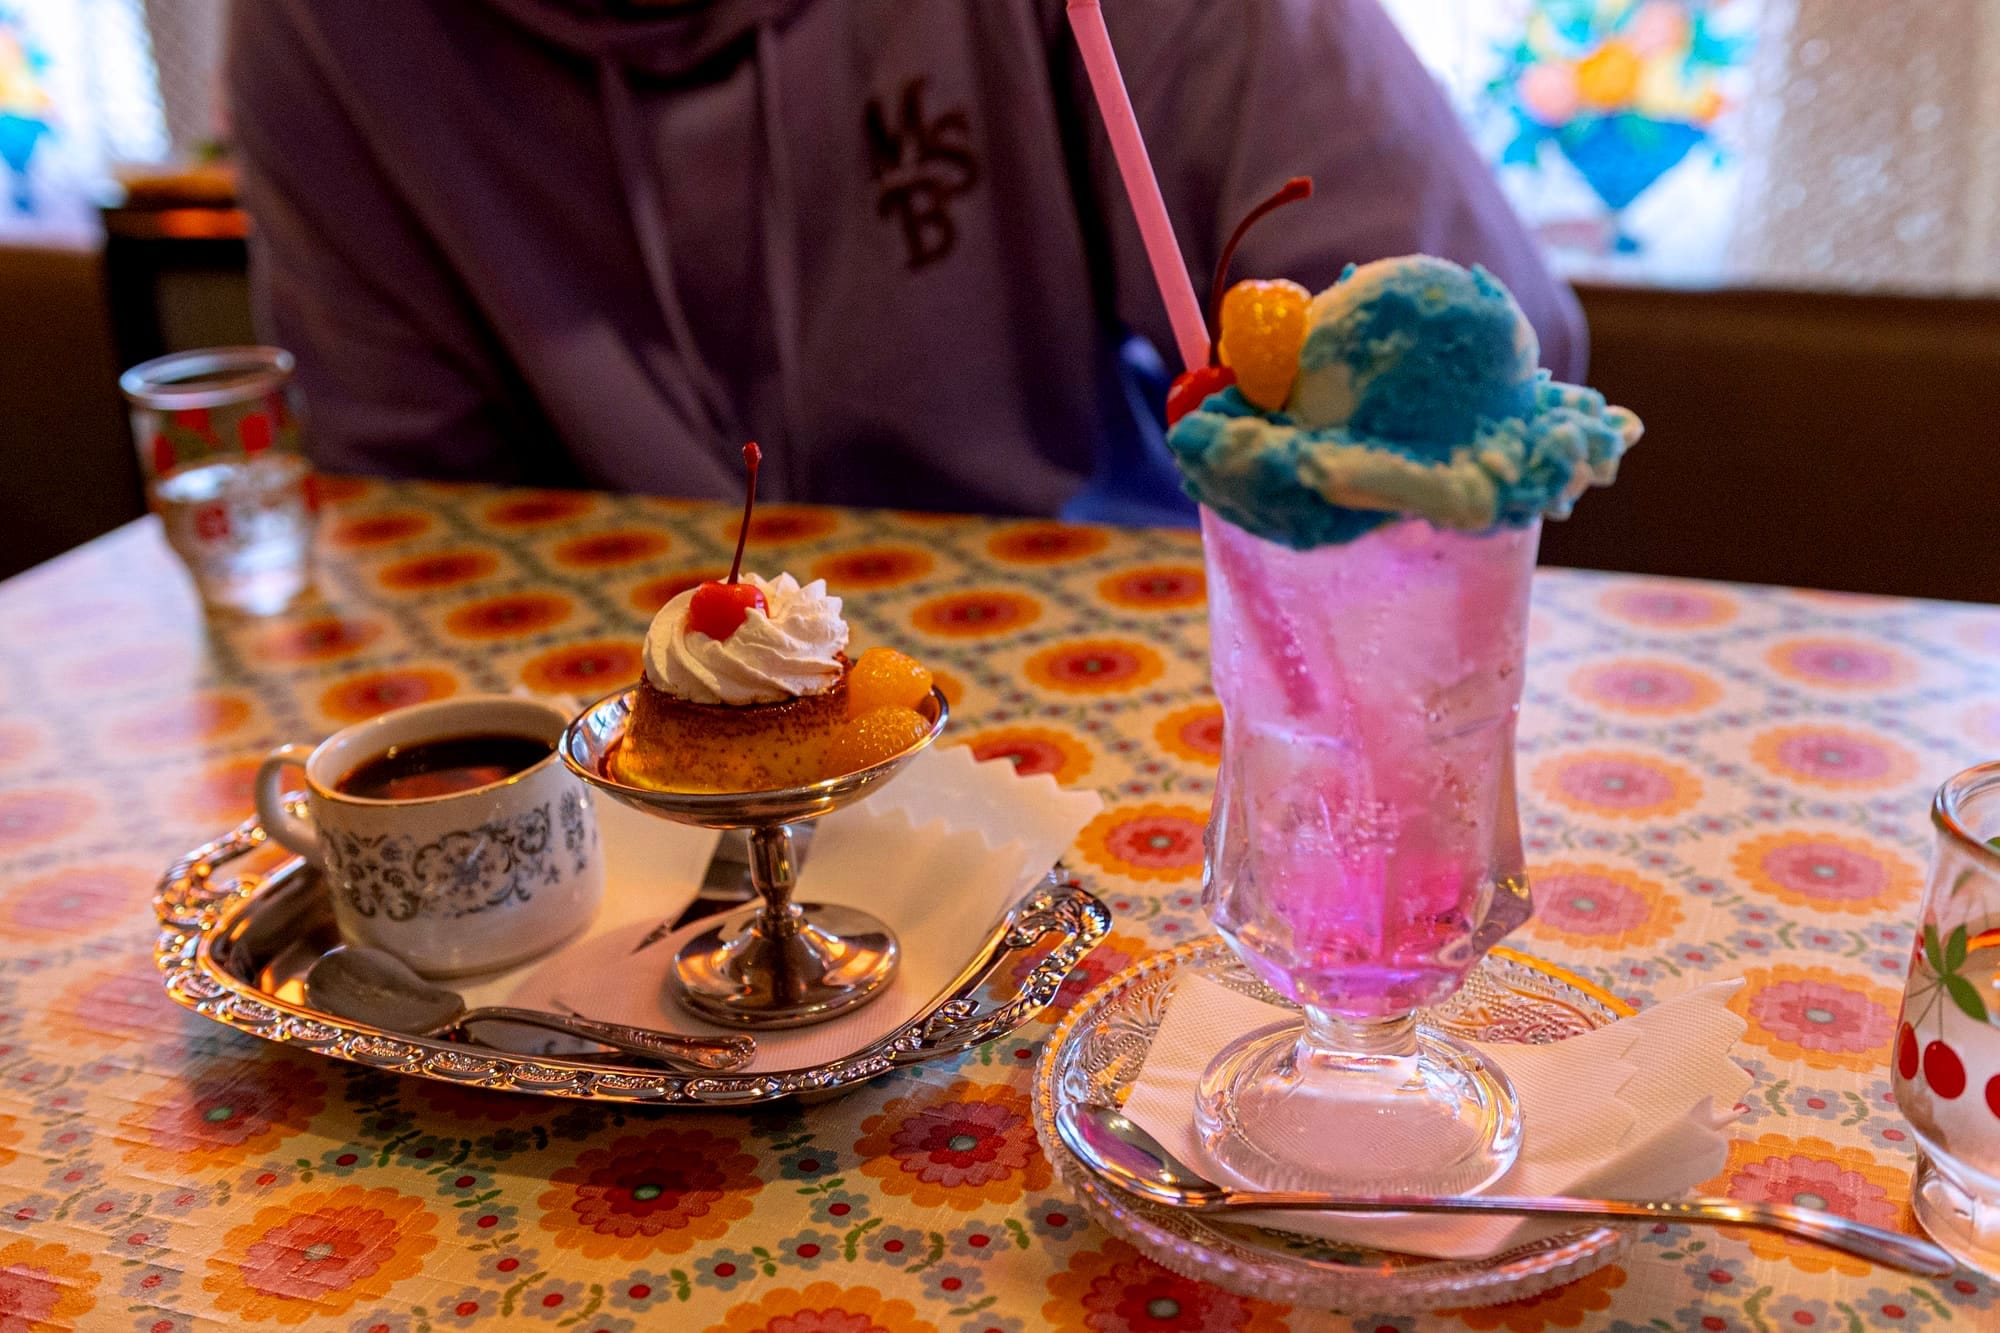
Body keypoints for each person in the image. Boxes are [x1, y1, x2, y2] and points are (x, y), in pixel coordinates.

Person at [227, 0, 1584, 524]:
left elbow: (1468, 339)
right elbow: (410, 521)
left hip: (1130, 693)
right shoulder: (325, 35)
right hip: (629, 798)